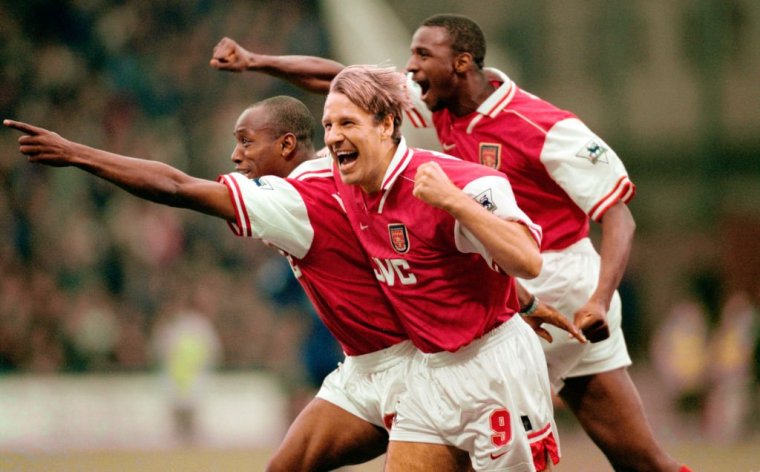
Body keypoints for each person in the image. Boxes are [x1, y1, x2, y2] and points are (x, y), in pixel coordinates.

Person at [210, 17, 691, 471]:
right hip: (490, 283)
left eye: (422, 54)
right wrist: (256, 61)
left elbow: (617, 215)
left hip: (561, 287)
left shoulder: (544, 127)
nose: (411, 66)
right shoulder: (437, 105)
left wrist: (601, 299)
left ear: (461, 63)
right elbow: (341, 79)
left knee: (636, 458)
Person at [4, 97, 414, 471]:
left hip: (406, 370)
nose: (236, 155)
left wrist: (76, 153)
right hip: (365, 368)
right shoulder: (336, 164)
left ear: (288, 145)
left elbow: (178, 187)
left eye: (247, 142)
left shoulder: (291, 198)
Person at [323, 64, 558, 471]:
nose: (332, 137)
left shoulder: (461, 183)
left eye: (347, 122)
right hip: (430, 371)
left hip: (494, 368)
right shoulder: (346, 181)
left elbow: (527, 259)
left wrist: (455, 202)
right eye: (327, 125)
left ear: (386, 125)